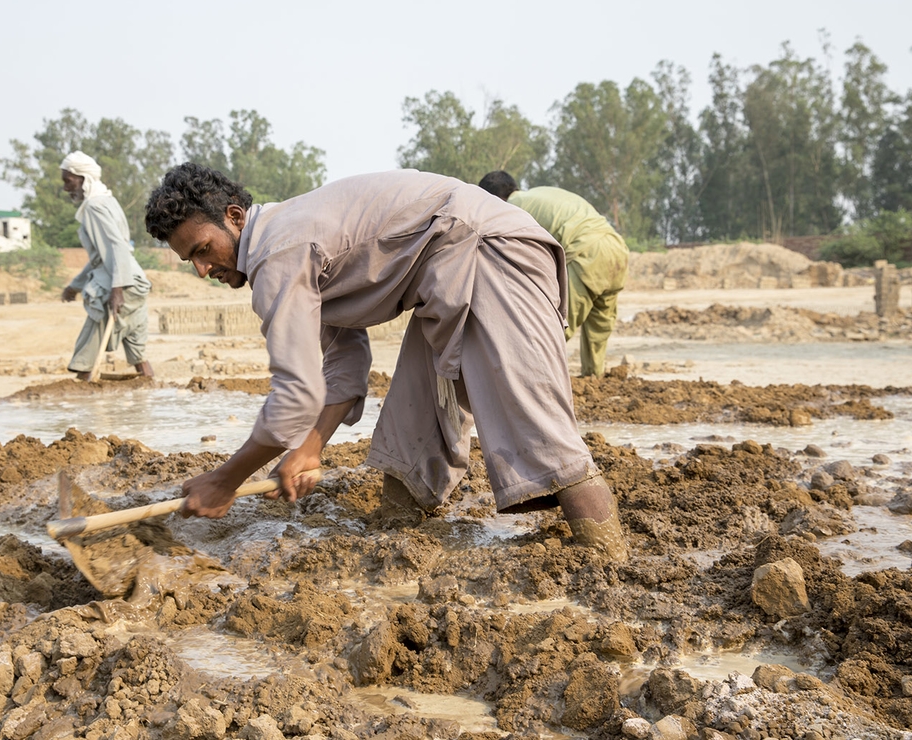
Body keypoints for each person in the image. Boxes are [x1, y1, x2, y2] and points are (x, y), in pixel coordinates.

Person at [144, 165, 628, 561]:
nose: (203, 270)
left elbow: (295, 395)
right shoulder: (291, 243)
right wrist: (311, 447)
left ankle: (612, 570)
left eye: (204, 250)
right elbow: (345, 360)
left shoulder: (280, 253)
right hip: (440, 273)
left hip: (488, 252)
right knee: (411, 427)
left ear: (234, 217)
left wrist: (224, 481)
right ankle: (399, 542)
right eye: (191, 260)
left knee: (542, 433)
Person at [478, 171, 629, 378]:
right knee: (599, 327)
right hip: (617, 249)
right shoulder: (539, 194)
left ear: (493, 199)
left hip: (587, 253)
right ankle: (594, 378)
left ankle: (530, 380)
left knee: (556, 328)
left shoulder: (511, 209)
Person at [60, 151, 153, 379]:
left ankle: (83, 396)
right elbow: (101, 259)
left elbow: (116, 246)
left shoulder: (94, 206)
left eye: (68, 181)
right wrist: (75, 286)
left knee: (90, 346)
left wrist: (117, 289)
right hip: (135, 281)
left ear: (83, 178)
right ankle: (149, 393)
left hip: (122, 284)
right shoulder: (108, 200)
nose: (66, 188)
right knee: (138, 354)